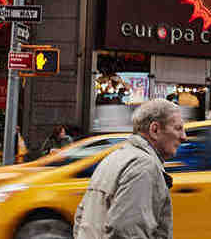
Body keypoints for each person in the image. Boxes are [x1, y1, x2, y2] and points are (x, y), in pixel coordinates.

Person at [74, 99, 185, 239]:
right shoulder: (144, 167)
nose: (184, 137)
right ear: (155, 130)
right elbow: (128, 232)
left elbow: (81, 219)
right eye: (178, 128)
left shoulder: (115, 157)